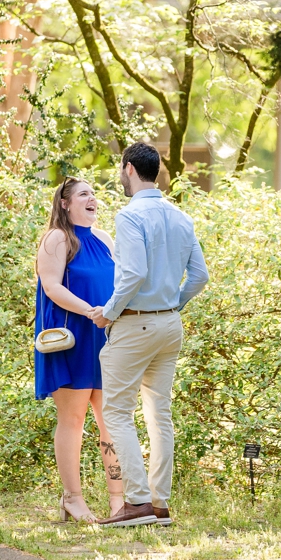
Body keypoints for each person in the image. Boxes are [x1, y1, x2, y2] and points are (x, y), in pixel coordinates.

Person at [87, 142, 209, 528]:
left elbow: (134, 273)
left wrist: (108, 313)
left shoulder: (130, 216)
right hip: (170, 325)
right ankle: (160, 504)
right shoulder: (181, 217)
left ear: (128, 169)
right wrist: (171, 305)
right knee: (160, 413)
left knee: (116, 412)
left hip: (135, 324)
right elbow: (200, 276)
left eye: (120, 170)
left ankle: (137, 502)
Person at [34, 176, 126, 523]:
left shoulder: (104, 239)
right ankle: (72, 498)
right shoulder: (57, 238)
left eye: (94, 194)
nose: (92, 199)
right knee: (72, 420)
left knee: (111, 421)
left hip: (107, 338)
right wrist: (90, 311)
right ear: (65, 203)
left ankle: (118, 500)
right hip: (72, 339)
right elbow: (51, 287)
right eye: (84, 194)